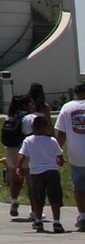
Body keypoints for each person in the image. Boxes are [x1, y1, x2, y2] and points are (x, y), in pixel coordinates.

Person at [18, 113, 66, 232]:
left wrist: (18, 167)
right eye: (48, 126)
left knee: (38, 197)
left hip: (36, 173)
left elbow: (22, 155)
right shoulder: (52, 140)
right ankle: (56, 222)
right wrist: (61, 162)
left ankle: (38, 221)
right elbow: (59, 157)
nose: (50, 128)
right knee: (55, 197)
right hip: (52, 172)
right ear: (42, 128)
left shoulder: (28, 140)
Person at [54, 81, 85, 232]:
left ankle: (83, 216)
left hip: (76, 155)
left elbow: (61, 133)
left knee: (79, 187)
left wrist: (57, 153)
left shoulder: (67, 107)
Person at [3, 95, 37, 216]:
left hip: (11, 150)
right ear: (25, 105)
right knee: (31, 182)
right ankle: (34, 210)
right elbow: (32, 135)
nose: (33, 106)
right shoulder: (29, 118)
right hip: (25, 150)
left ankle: (14, 200)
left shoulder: (10, 117)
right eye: (31, 104)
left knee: (16, 179)